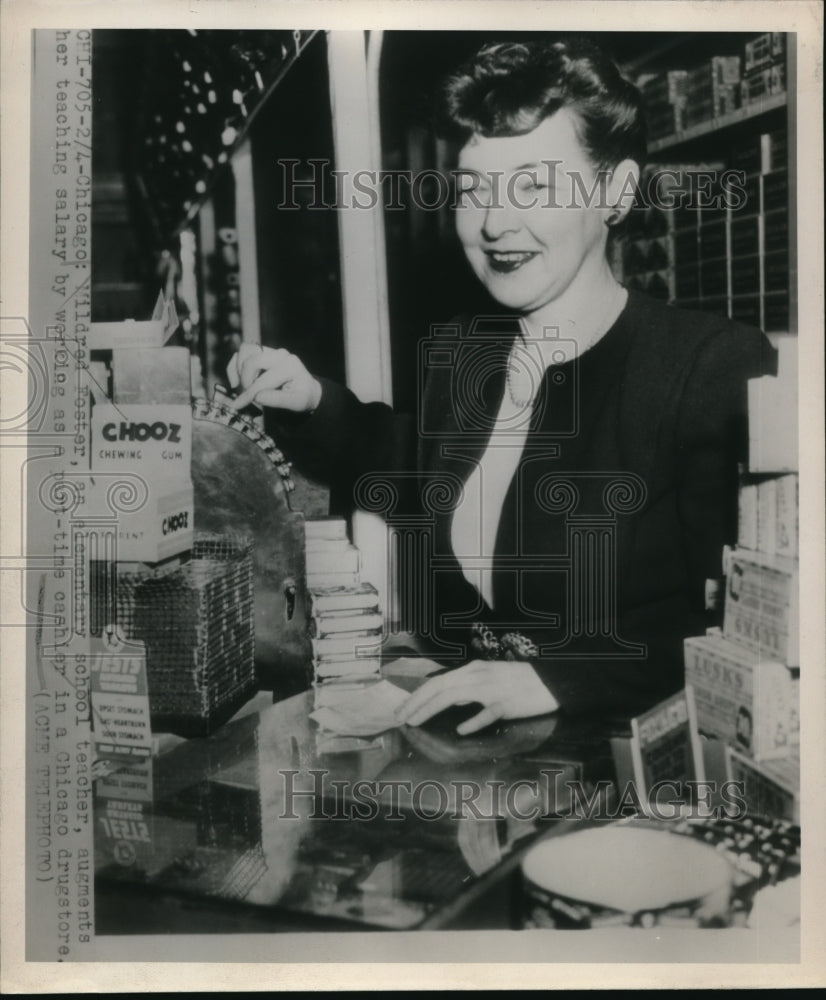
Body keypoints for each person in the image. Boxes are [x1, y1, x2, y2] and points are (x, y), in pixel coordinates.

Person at [227, 37, 776, 734]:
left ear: (615, 191)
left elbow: (750, 628)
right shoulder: (464, 349)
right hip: (478, 768)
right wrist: (309, 399)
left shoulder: (714, 367)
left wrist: (558, 678)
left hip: (624, 776)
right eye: (473, 188)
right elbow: (412, 462)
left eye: (535, 186)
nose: (493, 222)